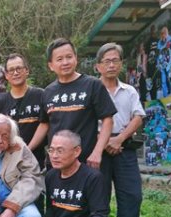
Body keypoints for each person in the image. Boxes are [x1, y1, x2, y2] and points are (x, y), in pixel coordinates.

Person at [31, 38, 116, 170]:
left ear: (76, 58)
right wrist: (28, 148)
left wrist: (97, 152)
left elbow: (108, 120)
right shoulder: (48, 92)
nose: (65, 62)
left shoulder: (93, 85)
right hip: (56, 164)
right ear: (51, 65)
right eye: (59, 59)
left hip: (87, 161)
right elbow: (44, 124)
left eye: (69, 57)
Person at [95, 43, 146, 217]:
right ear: (98, 66)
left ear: (121, 64)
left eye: (115, 60)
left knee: (132, 197)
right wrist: (104, 142)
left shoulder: (130, 90)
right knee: (99, 199)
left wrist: (118, 139)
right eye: (107, 61)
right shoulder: (91, 89)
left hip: (124, 148)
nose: (111, 65)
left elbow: (138, 116)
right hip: (98, 150)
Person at [0, 53, 47, 170]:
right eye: (11, 70)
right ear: (6, 75)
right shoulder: (1, 102)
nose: (15, 72)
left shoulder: (40, 95)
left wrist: (27, 150)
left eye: (19, 68)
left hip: (36, 159)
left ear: (27, 71)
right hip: (9, 160)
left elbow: (45, 124)